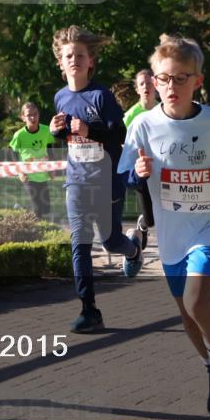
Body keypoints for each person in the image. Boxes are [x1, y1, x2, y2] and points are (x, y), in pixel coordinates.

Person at [119, 34, 210, 418]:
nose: (171, 86)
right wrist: (137, 173)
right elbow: (125, 174)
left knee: (197, 301)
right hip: (172, 233)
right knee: (186, 312)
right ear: (154, 80)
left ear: (198, 80)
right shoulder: (144, 124)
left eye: (181, 78)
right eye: (164, 78)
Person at [49, 26, 143, 334]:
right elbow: (70, 134)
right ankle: (89, 310)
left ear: (90, 61)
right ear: (61, 63)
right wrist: (57, 131)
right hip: (77, 181)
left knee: (110, 241)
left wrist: (90, 131)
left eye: (80, 55)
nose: (74, 60)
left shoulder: (101, 96)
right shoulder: (60, 97)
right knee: (80, 242)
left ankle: (133, 249)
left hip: (107, 180)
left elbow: (119, 135)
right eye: (68, 56)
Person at [123, 69, 158, 251]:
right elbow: (123, 144)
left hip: (162, 168)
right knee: (150, 219)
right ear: (137, 89)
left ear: (156, 85)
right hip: (141, 170)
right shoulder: (130, 116)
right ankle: (142, 225)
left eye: (149, 83)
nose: (146, 87)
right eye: (142, 84)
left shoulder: (164, 109)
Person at [8, 102, 54, 219]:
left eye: (35, 114)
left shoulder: (46, 130)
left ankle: (22, 209)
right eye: (29, 115)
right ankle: (35, 224)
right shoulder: (19, 135)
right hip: (28, 175)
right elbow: (13, 154)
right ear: (23, 117)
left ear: (39, 114)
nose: (33, 118)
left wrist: (52, 168)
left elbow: (50, 149)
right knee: (37, 208)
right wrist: (20, 171)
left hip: (42, 174)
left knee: (46, 208)